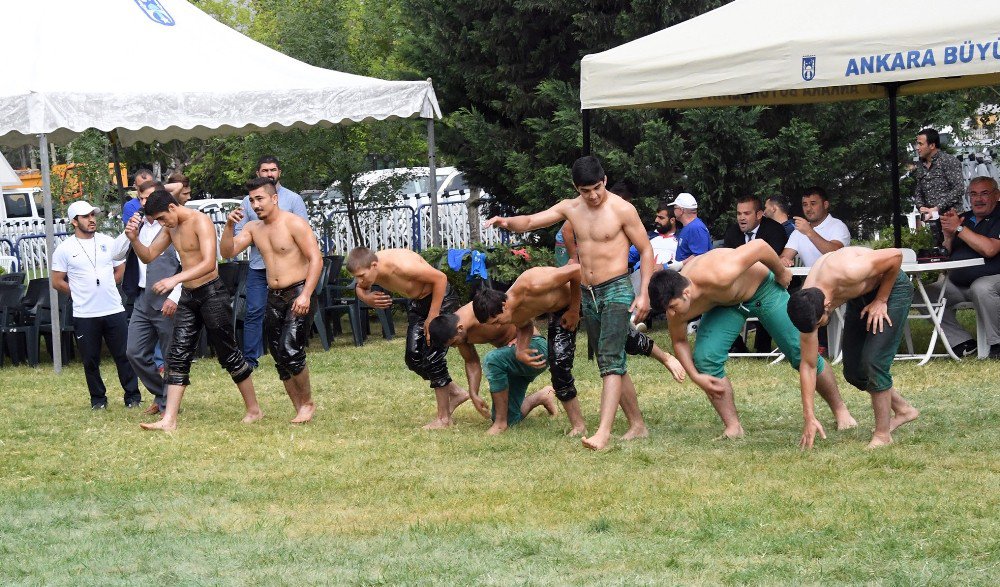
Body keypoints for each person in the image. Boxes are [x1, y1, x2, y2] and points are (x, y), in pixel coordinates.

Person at [485, 155, 655, 450]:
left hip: (616, 289)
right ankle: (637, 425)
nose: (592, 195)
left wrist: (644, 293)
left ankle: (602, 433)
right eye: (584, 190)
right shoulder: (571, 208)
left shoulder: (622, 209)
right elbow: (532, 220)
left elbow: (646, 250)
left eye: (597, 188)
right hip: (588, 293)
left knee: (610, 360)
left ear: (605, 180)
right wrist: (507, 223)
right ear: (576, 188)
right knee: (610, 358)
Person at [648, 240, 856, 440]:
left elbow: (760, 246)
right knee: (706, 359)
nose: (672, 315)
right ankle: (733, 427)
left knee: (802, 352)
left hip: (763, 289)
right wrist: (695, 376)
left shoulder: (720, 272)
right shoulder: (675, 306)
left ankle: (841, 411)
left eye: (673, 307)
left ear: (686, 293)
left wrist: (781, 271)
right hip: (726, 304)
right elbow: (679, 342)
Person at [469, 265, 686, 437]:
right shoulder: (510, 311)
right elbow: (524, 324)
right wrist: (521, 349)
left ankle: (665, 357)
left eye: (497, 321)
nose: (498, 327)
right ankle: (578, 426)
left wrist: (574, 309)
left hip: (586, 297)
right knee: (559, 365)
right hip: (558, 311)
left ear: (504, 305)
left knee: (623, 339)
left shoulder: (533, 284)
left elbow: (576, 271)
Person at [127, 189, 262, 431]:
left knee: (228, 354)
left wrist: (174, 280)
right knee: (177, 355)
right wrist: (134, 239)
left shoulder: (200, 220)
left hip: (212, 293)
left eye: (161, 218)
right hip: (189, 296)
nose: (161, 223)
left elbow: (209, 263)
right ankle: (169, 419)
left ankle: (254, 409)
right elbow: (148, 256)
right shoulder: (170, 227)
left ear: (171, 207)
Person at [788, 247, 920, 449]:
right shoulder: (808, 304)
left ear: (827, 305)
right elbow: (808, 364)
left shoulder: (849, 270)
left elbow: (895, 256)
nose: (817, 329)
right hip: (860, 295)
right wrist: (809, 416)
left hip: (891, 288)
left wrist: (881, 300)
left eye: (819, 323)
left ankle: (883, 435)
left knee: (873, 362)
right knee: (855, 372)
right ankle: (903, 410)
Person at [220, 178, 324, 422]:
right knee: (279, 356)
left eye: (260, 199)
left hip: (299, 291)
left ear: (274, 198)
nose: (255, 205)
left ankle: (308, 403)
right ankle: (299, 408)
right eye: (252, 200)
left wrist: (307, 294)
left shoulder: (293, 223)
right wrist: (227, 226)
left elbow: (316, 259)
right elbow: (227, 252)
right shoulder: (253, 228)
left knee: (290, 350)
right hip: (274, 296)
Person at [346, 246, 469, 429]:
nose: (360, 281)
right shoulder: (368, 269)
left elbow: (440, 278)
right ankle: (456, 393)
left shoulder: (403, 266)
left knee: (432, 356)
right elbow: (360, 288)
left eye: (362, 276)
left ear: (374, 266)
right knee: (414, 358)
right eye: (357, 277)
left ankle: (444, 419)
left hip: (440, 299)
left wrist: (433, 316)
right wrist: (366, 298)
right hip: (418, 303)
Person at [51, 201, 140, 410]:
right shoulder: (64, 249)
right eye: (86, 216)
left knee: (124, 356)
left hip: (113, 309)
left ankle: (132, 396)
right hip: (85, 313)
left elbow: (120, 269)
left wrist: (108, 284)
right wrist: (79, 292)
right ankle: (98, 399)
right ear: (74, 221)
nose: (92, 220)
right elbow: (57, 281)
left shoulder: (108, 242)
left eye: (93, 215)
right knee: (90, 360)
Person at [427, 304, 558, 435]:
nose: (455, 347)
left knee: (492, 359)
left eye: (454, 343)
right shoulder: (459, 331)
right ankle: (543, 396)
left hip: (535, 348)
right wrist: (473, 394)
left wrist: (521, 339)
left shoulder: (480, 309)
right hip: (511, 362)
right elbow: (471, 361)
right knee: (511, 419)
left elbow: (521, 308)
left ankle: (500, 424)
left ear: (460, 328)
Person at [234, 156, 309, 370]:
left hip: (291, 272)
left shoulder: (293, 199)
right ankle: (250, 359)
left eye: (273, 169)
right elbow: (240, 233)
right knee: (254, 311)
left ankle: (293, 352)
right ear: (258, 173)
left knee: (291, 313)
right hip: (259, 267)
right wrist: (262, 239)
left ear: (279, 172)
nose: (269, 173)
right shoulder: (248, 202)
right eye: (265, 170)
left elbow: (304, 232)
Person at [114, 181, 182, 415]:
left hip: (168, 296)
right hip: (142, 296)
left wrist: (175, 296)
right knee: (134, 351)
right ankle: (162, 393)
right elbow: (115, 254)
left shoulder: (172, 225)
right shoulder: (138, 224)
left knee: (170, 353)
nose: (146, 204)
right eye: (142, 199)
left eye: (150, 198)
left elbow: (188, 264)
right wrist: (129, 233)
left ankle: (168, 405)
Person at [925, 176, 1000, 359]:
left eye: (984, 193)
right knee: (923, 295)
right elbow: (945, 254)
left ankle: (997, 344)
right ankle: (962, 342)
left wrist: (959, 229)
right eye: (973, 194)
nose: (978, 199)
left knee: (982, 288)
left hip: (993, 278)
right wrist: (948, 235)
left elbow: (990, 249)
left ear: (997, 195)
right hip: (959, 283)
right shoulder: (963, 218)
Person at [723, 195, 789, 354]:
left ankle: (762, 347)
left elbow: (772, 261)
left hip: (768, 283)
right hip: (739, 284)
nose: (741, 218)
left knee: (767, 296)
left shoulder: (774, 230)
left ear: (759, 215)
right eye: (739, 214)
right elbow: (727, 261)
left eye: (746, 213)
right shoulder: (732, 232)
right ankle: (736, 345)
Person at [914, 128, 966, 246]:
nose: (917, 147)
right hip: (934, 222)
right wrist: (921, 207)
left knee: (957, 253)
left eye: (920, 144)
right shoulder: (921, 165)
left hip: (952, 219)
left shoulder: (948, 161)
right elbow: (918, 190)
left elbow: (959, 188)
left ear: (932, 145)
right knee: (939, 253)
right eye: (917, 144)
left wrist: (937, 208)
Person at [779, 186, 851, 268]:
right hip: (811, 280)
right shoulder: (799, 231)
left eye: (813, 204)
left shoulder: (838, 226)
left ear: (825, 204)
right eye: (805, 205)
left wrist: (809, 232)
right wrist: (782, 260)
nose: (808, 208)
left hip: (837, 280)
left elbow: (836, 253)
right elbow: (784, 257)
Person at [668, 192, 711, 267]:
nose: (673, 211)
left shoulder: (696, 228)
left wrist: (680, 264)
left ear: (681, 211)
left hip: (692, 275)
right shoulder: (689, 227)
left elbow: (701, 256)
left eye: (675, 208)